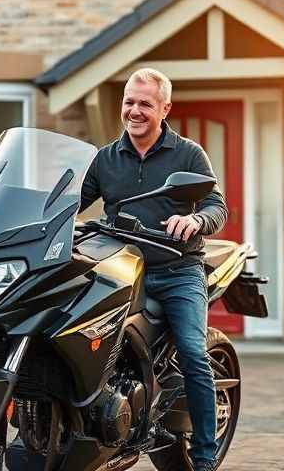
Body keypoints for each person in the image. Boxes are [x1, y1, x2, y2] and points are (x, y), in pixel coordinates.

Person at [79, 68, 228, 471]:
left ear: (165, 108)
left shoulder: (189, 154)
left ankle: (204, 457)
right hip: (122, 271)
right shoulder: (106, 158)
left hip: (177, 270)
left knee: (195, 354)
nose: (135, 111)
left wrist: (196, 221)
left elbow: (217, 206)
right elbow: (69, 202)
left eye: (145, 103)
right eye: (129, 101)